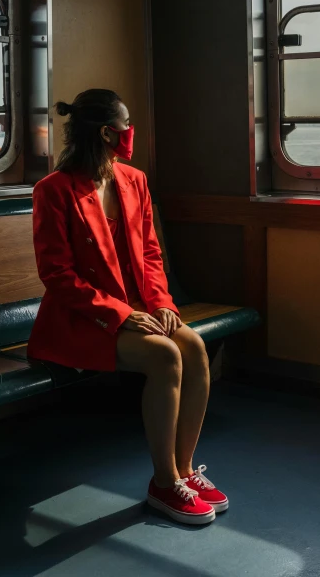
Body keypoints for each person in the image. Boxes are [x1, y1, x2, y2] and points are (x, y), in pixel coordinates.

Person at [28, 89, 228, 525]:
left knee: (191, 345)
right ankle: (163, 481)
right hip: (81, 317)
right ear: (107, 132)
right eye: (126, 124)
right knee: (164, 354)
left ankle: (186, 470)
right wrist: (119, 314)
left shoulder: (134, 180)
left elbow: (151, 253)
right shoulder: (54, 191)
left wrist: (159, 301)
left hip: (138, 304)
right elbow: (57, 275)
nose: (129, 132)